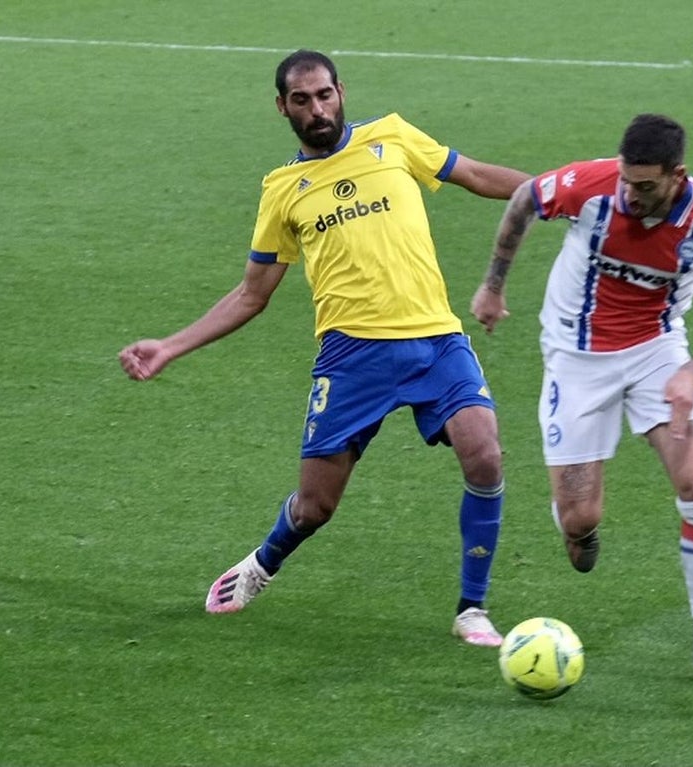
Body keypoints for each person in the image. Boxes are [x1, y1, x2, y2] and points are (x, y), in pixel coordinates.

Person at [119, 50, 531, 647]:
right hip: (351, 358)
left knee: (485, 456)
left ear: (341, 90)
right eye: (302, 100)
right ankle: (263, 561)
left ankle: (473, 608)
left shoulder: (393, 136)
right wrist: (171, 347)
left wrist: (556, 192)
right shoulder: (283, 190)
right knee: (314, 507)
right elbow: (251, 294)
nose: (317, 110)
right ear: (282, 107)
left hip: (436, 340)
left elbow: (476, 175)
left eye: (325, 95)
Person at [471, 113, 693, 685]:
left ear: (678, 175)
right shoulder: (594, 187)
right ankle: (576, 525)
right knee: (581, 518)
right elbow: (527, 198)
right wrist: (493, 285)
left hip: (657, 352)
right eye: (627, 181)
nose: (631, 194)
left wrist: (692, 372)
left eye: (646, 186)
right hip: (576, 360)